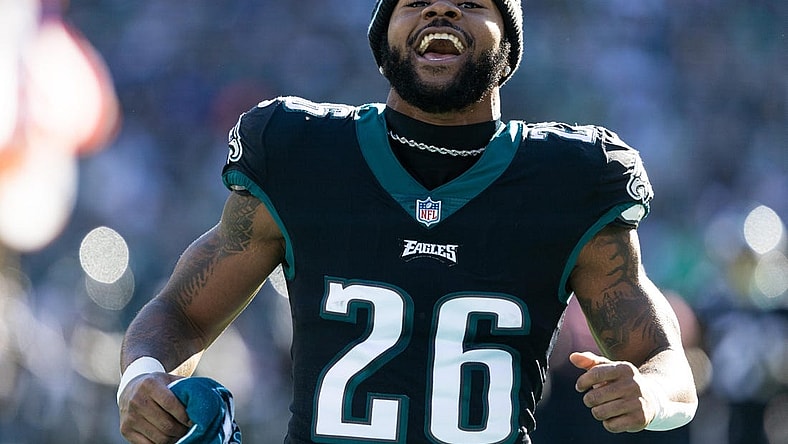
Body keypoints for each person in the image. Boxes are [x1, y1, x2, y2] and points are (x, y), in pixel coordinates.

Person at [117, 1, 698, 443]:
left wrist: (649, 391)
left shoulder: (571, 178)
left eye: (471, 1)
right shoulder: (302, 155)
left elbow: (671, 369)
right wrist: (142, 377)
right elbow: (180, 313)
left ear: (509, 39)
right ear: (385, 32)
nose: (441, 9)